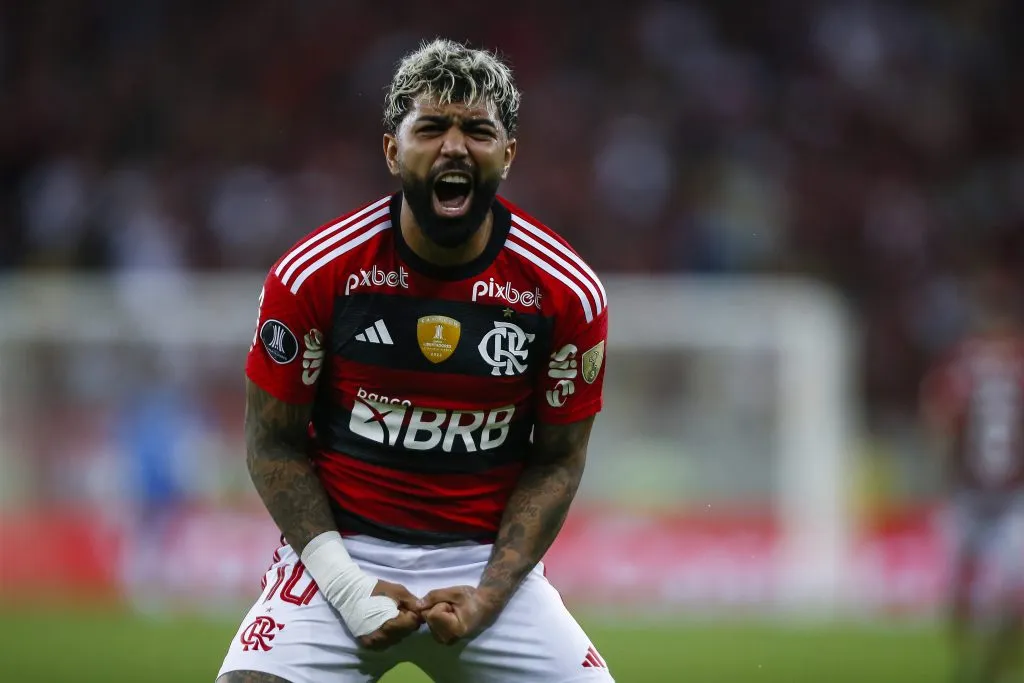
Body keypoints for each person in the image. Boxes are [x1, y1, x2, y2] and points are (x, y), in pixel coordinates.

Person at [216, 38, 613, 683]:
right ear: (391, 148)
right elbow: (272, 444)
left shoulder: (564, 291)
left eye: (478, 130)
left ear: (507, 155)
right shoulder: (315, 276)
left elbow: (559, 459)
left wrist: (489, 594)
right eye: (431, 127)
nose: (454, 146)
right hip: (337, 561)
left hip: (486, 566)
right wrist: (346, 587)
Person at [921, 267, 1024, 683]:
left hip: (1000, 492)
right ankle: (981, 663)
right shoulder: (992, 364)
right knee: (970, 582)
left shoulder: (961, 364)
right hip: (980, 491)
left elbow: (936, 414)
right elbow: (938, 415)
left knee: (994, 584)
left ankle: (982, 663)